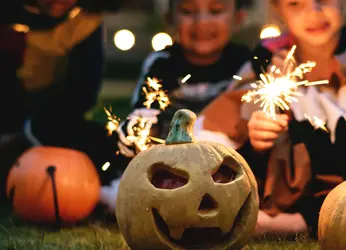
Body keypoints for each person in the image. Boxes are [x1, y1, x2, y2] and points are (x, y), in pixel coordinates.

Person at [194, 0, 346, 238]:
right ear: (279, 10)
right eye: (295, 3)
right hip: (292, 178)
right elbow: (233, 113)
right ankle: (289, 215)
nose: (313, 12)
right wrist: (257, 131)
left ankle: (307, 220)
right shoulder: (267, 58)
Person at [100, 0, 253, 212]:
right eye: (188, 12)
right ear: (170, 18)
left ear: (239, 18)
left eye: (216, 11)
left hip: (224, 163)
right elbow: (145, 116)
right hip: (170, 160)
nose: (202, 22)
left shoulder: (245, 63)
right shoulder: (162, 63)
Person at [0, 0, 125, 205]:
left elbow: (81, 96)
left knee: (101, 142)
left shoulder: (83, 22)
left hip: (52, 123)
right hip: (9, 118)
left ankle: (112, 185)